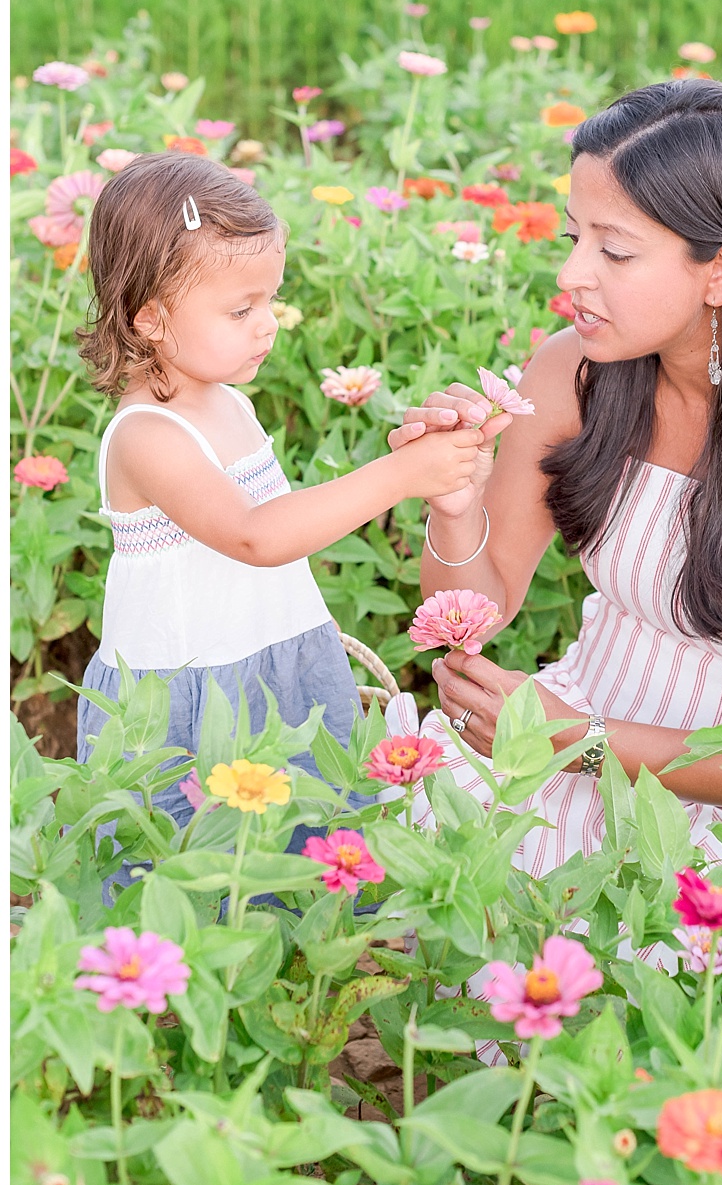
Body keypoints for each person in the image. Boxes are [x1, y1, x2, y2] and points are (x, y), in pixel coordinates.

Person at [386, 79, 722, 918]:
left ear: (720, 270)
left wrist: (580, 744)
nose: (572, 274)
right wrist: (454, 501)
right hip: (598, 708)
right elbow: (475, 606)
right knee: (429, 838)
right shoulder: (576, 369)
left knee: (641, 933)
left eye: (614, 251)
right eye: (576, 237)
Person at [76, 154, 487, 827]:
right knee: (208, 862)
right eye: (241, 309)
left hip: (275, 663)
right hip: (191, 700)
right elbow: (254, 536)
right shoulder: (147, 435)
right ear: (149, 318)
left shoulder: (226, 402)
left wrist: (408, 461)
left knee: (300, 845)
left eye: (269, 299)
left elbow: (282, 521)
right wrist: (397, 478)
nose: (266, 323)